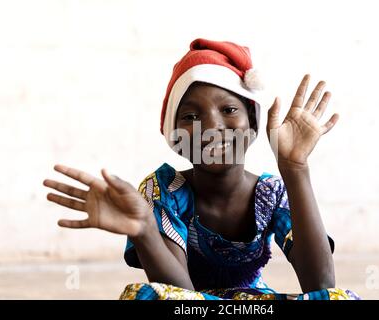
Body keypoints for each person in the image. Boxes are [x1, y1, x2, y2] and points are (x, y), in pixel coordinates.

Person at [43, 38, 360, 300]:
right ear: (173, 134)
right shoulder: (162, 189)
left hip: (252, 302)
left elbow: (320, 285)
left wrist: (295, 169)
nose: (211, 126)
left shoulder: (271, 193)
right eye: (191, 117)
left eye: (229, 109)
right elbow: (176, 293)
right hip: (193, 300)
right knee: (143, 295)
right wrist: (144, 230)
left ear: (253, 123)